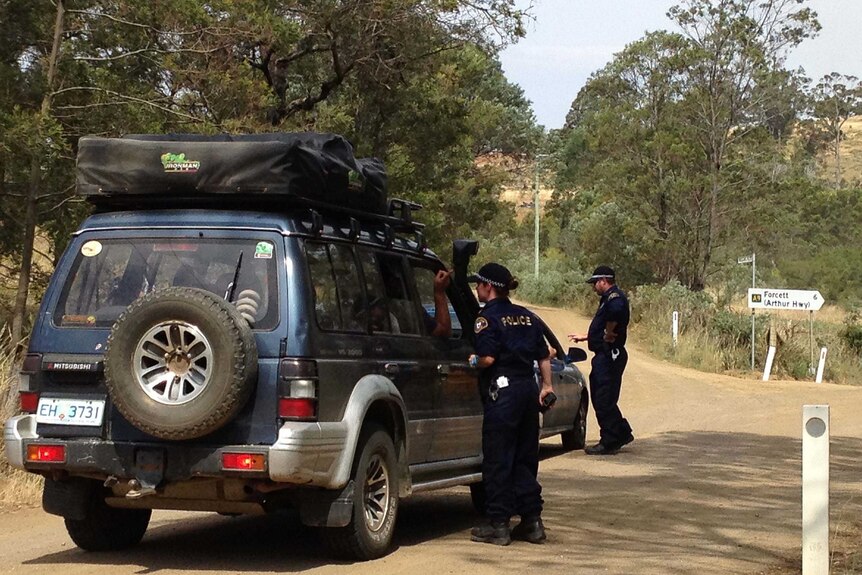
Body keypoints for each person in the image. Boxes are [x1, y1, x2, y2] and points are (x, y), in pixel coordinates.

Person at [466, 262, 554, 546]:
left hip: (502, 393)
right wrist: (547, 386)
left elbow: (488, 359)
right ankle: (532, 522)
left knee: (498, 458)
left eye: (478, 284)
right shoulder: (527, 317)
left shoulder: (486, 318)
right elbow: (544, 355)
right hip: (528, 391)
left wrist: (472, 361)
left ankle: (499, 525)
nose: (476, 289)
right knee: (525, 458)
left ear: (488, 287)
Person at [568, 265, 634, 455]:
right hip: (605, 353)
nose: (593, 287)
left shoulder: (614, 298)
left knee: (603, 398)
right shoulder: (608, 298)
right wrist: (588, 336)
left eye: (595, 283)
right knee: (603, 396)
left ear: (603, 281)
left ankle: (610, 439)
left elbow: (615, 314)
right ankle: (620, 432)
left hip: (609, 354)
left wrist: (609, 332)